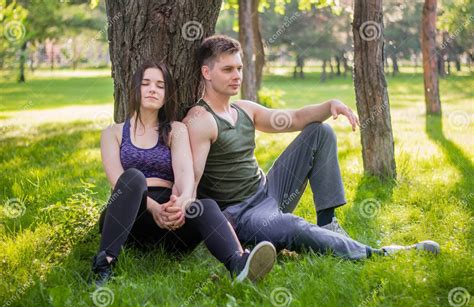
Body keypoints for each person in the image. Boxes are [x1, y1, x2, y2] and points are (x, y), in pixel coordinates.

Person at [183, 35, 440, 260]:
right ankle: (376, 253)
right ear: (207, 73)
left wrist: (329, 105)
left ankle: (327, 223)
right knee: (292, 226)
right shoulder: (200, 120)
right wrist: (209, 228)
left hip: (270, 190)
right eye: (228, 69)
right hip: (243, 215)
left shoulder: (244, 109)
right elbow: (192, 178)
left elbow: (293, 118)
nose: (237, 75)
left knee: (320, 131)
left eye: (239, 67)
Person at [91, 61, 276, 286]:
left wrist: (180, 205)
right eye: (146, 83)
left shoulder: (176, 130)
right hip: (129, 220)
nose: (152, 89)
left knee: (205, 205)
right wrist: (155, 208)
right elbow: (116, 179)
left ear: (166, 93)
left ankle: (238, 264)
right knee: (133, 178)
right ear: (135, 89)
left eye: (160, 86)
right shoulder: (113, 133)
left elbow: (185, 176)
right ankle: (104, 265)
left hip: (171, 224)